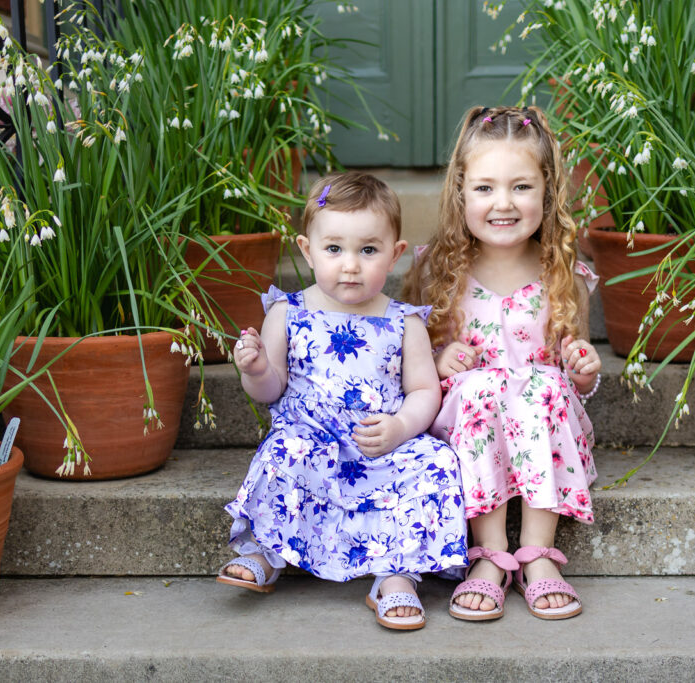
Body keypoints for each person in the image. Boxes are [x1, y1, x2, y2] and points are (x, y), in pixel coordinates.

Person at [220, 170, 467, 631]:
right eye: (334, 249)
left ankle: (396, 575)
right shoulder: (287, 311)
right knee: (284, 451)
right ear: (306, 249)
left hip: (381, 443)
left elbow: (425, 390)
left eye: (368, 250)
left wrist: (401, 427)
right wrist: (255, 370)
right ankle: (269, 548)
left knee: (435, 461)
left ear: (394, 255)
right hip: (310, 440)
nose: (350, 264)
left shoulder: (404, 321)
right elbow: (270, 390)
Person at [403, 105, 601, 621]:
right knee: (483, 386)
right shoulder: (438, 270)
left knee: (542, 382)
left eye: (521, 187)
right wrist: (442, 358)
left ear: (547, 191)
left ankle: (538, 552)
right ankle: (489, 554)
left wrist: (581, 367)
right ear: (461, 193)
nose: (503, 204)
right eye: (486, 188)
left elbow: (571, 368)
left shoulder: (562, 272)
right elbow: (415, 356)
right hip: (470, 423)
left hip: (543, 423)